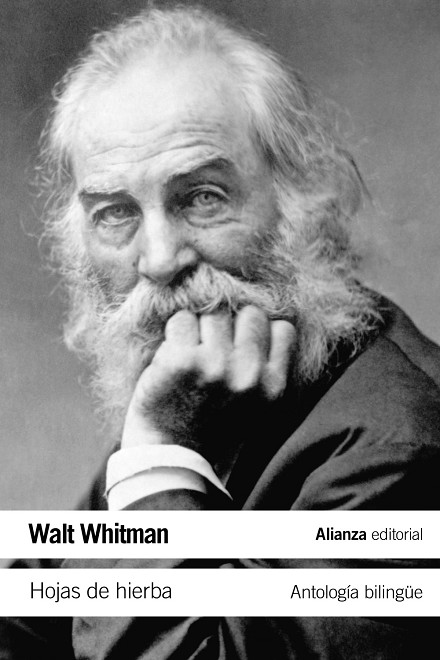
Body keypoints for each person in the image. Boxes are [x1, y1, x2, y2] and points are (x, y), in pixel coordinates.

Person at [3, 4, 440, 658]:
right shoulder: (212, 387)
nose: (159, 260)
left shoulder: (400, 455)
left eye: (202, 197)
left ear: (300, 200)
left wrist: (157, 453)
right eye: (116, 213)